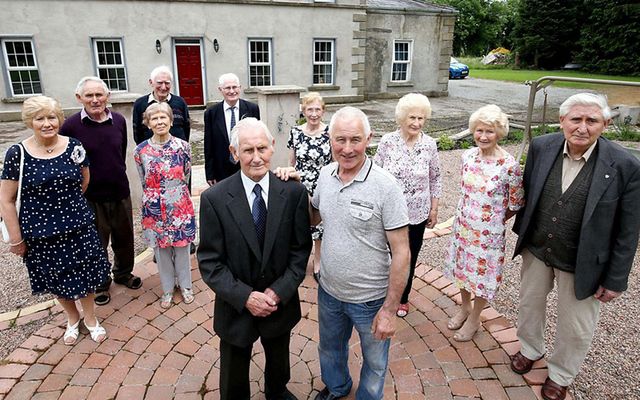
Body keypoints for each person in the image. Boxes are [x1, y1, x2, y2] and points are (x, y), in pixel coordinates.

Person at [510, 93, 640, 400]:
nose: (582, 127)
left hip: (585, 261)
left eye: (592, 120)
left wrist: (615, 278)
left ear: (605, 124)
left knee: (576, 324)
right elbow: (528, 193)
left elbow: (629, 230)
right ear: (562, 121)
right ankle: (530, 348)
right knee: (529, 305)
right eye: (576, 119)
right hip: (538, 248)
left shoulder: (625, 165)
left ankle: (561, 373)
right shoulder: (542, 147)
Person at [198, 118, 311, 400]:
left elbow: (300, 251)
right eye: (248, 150)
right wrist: (246, 297)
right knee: (234, 369)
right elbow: (210, 262)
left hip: (278, 302)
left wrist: (280, 291)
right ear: (234, 153)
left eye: (262, 148)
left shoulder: (294, 193)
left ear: (273, 148)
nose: (257, 157)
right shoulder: (215, 198)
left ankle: (277, 389)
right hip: (236, 306)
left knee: (278, 355)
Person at [311, 106, 410, 400]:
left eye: (356, 140)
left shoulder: (386, 187)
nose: (347, 148)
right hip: (329, 292)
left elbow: (402, 252)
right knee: (329, 349)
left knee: (376, 363)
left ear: (369, 138)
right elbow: (313, 215)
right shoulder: (325, 175)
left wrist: (390, 310)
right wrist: (287, 184)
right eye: (340, 140)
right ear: (330, 139)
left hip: (370, 300)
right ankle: (337, 387)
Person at [0, 96, 110, 345]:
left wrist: (66, 209)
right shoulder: (17, 153)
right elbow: (5, 200)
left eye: (52, 117)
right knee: (55, 278)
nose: (47, 123)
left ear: (59, 119)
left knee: (88, 274)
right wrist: (16, 239)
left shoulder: (74, 147)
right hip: (41, 234)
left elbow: (84, 181)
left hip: (78, 228)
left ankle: (90, 318)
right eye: (40, 118)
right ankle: (72, 318)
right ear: (30, 121)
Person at [444, 104, 524, 341]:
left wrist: (493, 219)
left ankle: (475, 318)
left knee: (482, 277)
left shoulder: (509, 165)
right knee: (462, 269)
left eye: (489, 131)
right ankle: (464, 307)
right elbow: (465, 190)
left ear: (499, 132)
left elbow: (516, 203)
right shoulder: (467, 156)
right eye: (479, 130)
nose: (483, 136)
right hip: (463, 226)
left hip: (488, 234)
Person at [60, 76, 139, 306]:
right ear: (79, 98)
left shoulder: (118, 121)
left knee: (124, 238)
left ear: (107, 97)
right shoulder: (71, 126)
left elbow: (121, 151)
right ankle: (101, 282)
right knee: (97, 242)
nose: (95, 100)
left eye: (99, 95)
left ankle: (123, 273)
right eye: (89, 96)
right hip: (91, 197)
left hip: (119, 191)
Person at [373, 93, 442, 318]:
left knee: (408, 257)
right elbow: (375, 174)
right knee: (384, 255)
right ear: (402, 117)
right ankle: (380, 292)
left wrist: (434, 208)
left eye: (421, 118)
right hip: (388, 212)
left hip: (417, 213)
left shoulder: (430, 144)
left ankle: (402, 297)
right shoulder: (387, 141)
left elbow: (436, 178)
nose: (416, 123)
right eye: (412, 117)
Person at [134, 102, 196, 309]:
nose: (160, 122)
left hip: (179, 202)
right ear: (148, 123)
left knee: (182, 248)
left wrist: (174, 192)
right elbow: (143, 179)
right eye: (155, 118)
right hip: (154, 205)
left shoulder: (183, 146)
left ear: (170, 121)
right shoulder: (140, 150)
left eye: (163, 117)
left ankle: (186, 286)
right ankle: (168, 288)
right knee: (161, 250)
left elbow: (186, 174)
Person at [287, 92, 331, 281]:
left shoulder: (330, 132)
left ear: (323, 111)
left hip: (323, 185)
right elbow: (291, 162)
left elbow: (335, 163)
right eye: (309, 109)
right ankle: (299, 261)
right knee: (300, 226)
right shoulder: (296, 132)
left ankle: (318, 261)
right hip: (300, 186)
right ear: (303, 111)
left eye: (317, 109)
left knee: (321, 227)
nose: (313, 113)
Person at [204, 73, 260, 186]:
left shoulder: (252, 109)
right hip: (221, 169)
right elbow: (208, 145)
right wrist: (210, 173)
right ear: (220, 90)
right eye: (227, 88)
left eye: (234, 87)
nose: (232, 91)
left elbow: (257, 139)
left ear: (240, 88)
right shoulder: (211, 113)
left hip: (246, 164)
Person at [132, 65, 191, 145]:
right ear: (151, 82)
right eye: (159, 83)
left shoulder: (180, 102)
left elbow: (186, 129)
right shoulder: (140, 104)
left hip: (176, 152)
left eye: (167, 83)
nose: (163, 87)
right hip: (150, 153)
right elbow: (137, 133)